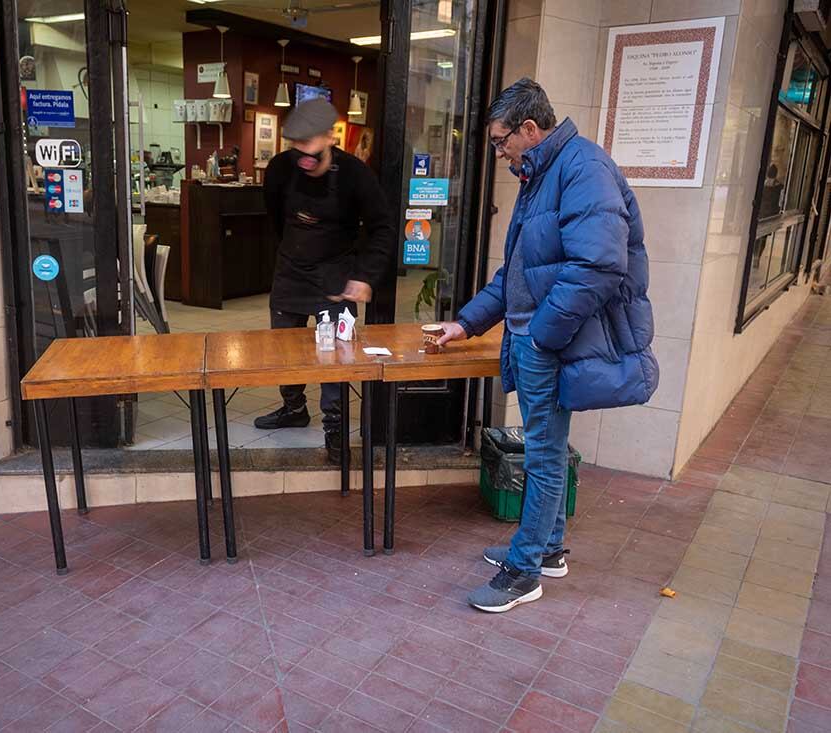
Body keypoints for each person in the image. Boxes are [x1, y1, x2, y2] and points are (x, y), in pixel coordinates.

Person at [437, 79, 658, 613]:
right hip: (538, 338)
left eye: (499, 140)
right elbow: (518, 272)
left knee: (543, 453)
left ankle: (526, 568)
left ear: (529, 129)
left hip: (547, 341)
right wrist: (468, 323)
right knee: (548, 447)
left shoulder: (583, 169)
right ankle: (550, 547)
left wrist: (540, 335)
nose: (499, 151)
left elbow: (599, 266)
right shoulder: (543, 172)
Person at [255, 98, 393, 463]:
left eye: (310, 144)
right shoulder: (280, 169)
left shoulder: (355, 175)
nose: (303, 153)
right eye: (296, 144)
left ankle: (335, 431)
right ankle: (293, 408)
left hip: (336, 276)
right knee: (286, 350)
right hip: (291, 271)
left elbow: (382, 228)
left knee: (333, 357)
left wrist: (364, 276)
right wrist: (288, 255)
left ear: (331, 137)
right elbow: (274, 218)